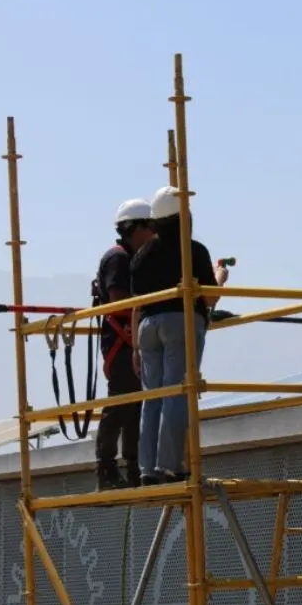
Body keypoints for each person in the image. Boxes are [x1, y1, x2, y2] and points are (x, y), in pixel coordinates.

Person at [129, 185, 229, 486]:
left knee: (152, 397)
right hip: (179, 323)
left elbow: (137, 304)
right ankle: (169, 465)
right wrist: (220, 278)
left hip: (147, 327)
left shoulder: (141, 255)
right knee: (177, 392)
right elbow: (210, 298)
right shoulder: (192, 250)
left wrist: (135, 347)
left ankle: (147, 468)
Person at [93, 198, 156, 491]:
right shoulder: (118, 259)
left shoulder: (135, 258)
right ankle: (106, 467)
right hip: (122, 343)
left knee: (135, 408)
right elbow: (119, 301)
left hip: (134, 342)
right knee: (120, 404)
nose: (154, 233)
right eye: (150, 227)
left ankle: (134, 467)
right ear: (134, 228)